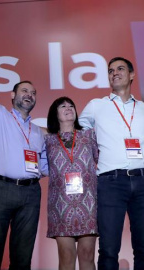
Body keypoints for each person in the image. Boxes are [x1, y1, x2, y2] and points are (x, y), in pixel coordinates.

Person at [0, 9, 45, 270]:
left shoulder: (38, 132)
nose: (29, 94)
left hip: (31, 194)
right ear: (12, 95)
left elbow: (44, 164)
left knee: (22, 260)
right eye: (24, 90)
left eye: (33, 92)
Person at [79, 57, 144, 270]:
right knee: (108, 250)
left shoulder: (142, 108)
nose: (114, 73)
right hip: (110, 182)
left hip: (143, 181)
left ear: (132, 75)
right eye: (110, 70)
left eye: (120, 69)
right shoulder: (96, 106)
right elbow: (76, 135)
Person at [40, 97, 98, 270]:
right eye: (63, 106)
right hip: (60, 205)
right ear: (54, 114)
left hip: (88, 204)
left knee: (87, 255)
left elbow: (103, 160)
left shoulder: (89, 135)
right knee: (66, 256)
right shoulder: (47, 139)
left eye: (71, 105)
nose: (68, 108)